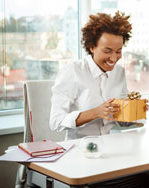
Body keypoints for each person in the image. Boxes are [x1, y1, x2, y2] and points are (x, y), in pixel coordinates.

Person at [50, 11, 143, 140]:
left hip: (109, 144)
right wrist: (96, 112)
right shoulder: (73, 72)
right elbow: (56, 121)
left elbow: (121, 120)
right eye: (107, 51)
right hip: (79, 148)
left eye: (118, 51)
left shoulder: (119, 72)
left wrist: (136, 111)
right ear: (92, 47)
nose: (114, 58)